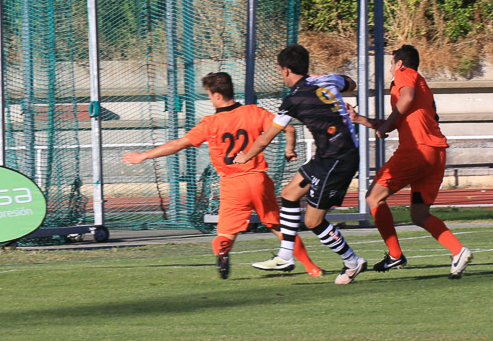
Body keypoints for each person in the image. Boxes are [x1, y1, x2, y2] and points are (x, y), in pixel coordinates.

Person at [123, 72, 323, 279]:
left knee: (225, 234)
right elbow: (289, 128)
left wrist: (144, 155)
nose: (210, 99)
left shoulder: (210, 123)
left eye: (209, 95)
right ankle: (312, 268)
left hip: (233, 184)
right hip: (258, 179)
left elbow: (179, 144)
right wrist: (289, 150)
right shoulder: (253, 112)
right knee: (281, 228)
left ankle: (223, 252)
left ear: (217, 95)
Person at [233, 44, 366, 285]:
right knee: (289, 194)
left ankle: (352, 261)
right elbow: (351, 83)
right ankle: (285, 256)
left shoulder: (293, 100)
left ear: (285, 70)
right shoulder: (327, 79)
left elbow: (265, 138)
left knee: (313, 221)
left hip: (338, 159)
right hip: (327, 155)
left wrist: (245, 156)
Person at [347, 44, 472, 279]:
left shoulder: (404, 74)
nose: (390, 69)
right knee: (419, 214)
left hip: (417, 151)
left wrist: (385, 125)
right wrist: (359, 119)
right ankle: (459, 251)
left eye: (391, 63)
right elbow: (396, 120)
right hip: (435, 154)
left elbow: (406, 99)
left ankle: (395, 255)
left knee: (373, 197)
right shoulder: (418, 83)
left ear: (399, 63)